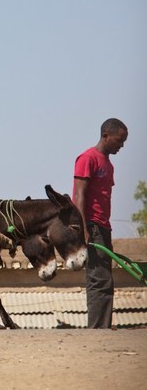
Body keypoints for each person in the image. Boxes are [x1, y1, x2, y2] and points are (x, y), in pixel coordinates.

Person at [73, 118, 128, 329]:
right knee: (98, 278)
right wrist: (83, 230)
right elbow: (79, 195)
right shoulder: (88, 158)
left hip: (104, 227)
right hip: (92, 226)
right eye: (119, 140)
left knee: (106, 278)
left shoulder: (108, 164)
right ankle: (97, 329)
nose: (121, 146)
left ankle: (102, 326)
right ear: (106, 136)